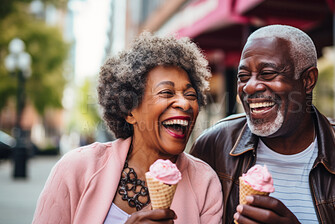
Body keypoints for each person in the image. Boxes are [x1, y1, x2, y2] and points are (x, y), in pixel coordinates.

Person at [190, 24, 335, 224]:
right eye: (243, 76)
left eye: (268, 73)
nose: (250, 87)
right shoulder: (213, 147)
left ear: (308, 80)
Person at [33, 32, 223, 224]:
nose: (185, 104)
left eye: (190, 95)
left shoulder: (205, 183)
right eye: (167, 92)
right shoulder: (76, 168)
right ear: (129, 111)